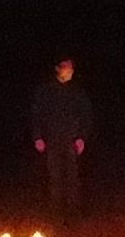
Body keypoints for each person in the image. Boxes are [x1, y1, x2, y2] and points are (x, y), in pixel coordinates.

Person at [29, 56, 92, 215]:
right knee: (54, 177)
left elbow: (86, 115)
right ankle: (55, 212)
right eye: (67, 67)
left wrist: (82, 138)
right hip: (52, 140)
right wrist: (37, 137)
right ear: (58, 69)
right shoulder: (46, 91)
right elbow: (36, 115)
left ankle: (74, 212)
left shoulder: (77, 92)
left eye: (72, 67)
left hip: (72, 141)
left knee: (73, 177)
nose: (70, 70)